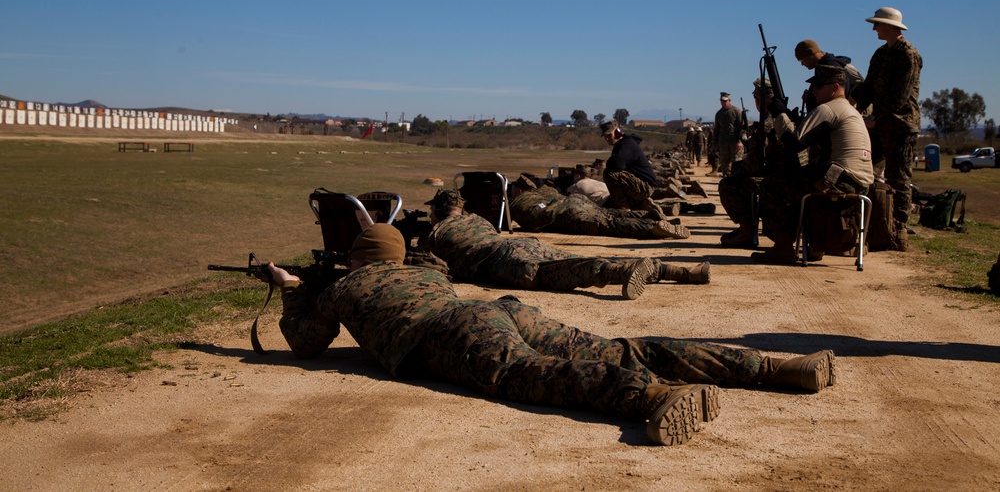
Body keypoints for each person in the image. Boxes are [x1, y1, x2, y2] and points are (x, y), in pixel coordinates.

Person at [269, 223, 837, 447]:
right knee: (622, 346)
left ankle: (654, 396)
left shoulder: (349, 287)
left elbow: (306, 343)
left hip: (446, 332)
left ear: (356, 261)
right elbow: (433, 267)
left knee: (527, 374)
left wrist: (294, 287)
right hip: (498, 308)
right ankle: (774, 367)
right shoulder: (424, 269)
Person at [419, 190, 709, 300]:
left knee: (575, 270)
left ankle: (624, 272)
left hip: (503, 261)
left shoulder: (433, 236)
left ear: (438, 211)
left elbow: (435, 267)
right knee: (572, 257)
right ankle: (680, 271)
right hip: (521, 244)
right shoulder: (478, 220)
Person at [753, 65, 875, 264]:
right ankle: (815, 245)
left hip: (839, 180)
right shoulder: (848, 109)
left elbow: (795, 142)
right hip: (859, 182)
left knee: (771, 186)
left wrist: (779, 114)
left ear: (835, 87)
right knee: (798, 180)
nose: (813, 91)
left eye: (818, 85)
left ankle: (783, 248)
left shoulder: (828, 108)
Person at [850, 7, 923, 251]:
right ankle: (872, 224)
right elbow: (868, 87)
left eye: (878, 24)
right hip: (878, 124)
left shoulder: (909, 55)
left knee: (898, 177)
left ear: (890, 26)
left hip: (900, 126)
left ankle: (898, 229)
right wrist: (857, 112)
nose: (874, 29)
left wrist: (877, 119)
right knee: (867, 172)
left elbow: (900, 97)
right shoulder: (880, 54)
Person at [718, 78, 787, 248]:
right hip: (786, 174)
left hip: (774, 178)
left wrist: (738, 167)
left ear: (760, 100)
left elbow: (755, 164)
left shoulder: (767, 124)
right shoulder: (785, 117)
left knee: (729, 185)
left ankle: (747, 231)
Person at [510, 179, 691, 240]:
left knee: (609, 225)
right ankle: (650, 216)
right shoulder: (544, 190)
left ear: (518, 190)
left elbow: (533, 219)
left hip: (568, 214)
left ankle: (651, 228)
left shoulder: (518, 203)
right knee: (612, 214)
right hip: (576, 202)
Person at [599, 120, 666, 219]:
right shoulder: (623, 144)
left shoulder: (626, 144)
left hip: (644, 187)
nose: (607, 138)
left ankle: (624, 210)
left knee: (609, 173)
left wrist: (608, 162)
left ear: (618, 131)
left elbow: (616, 165)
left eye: (609, 135)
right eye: (605, 137)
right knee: (608, 206)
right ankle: (644, 206)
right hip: (641, 186)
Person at [794, 39, 865, 111]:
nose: (802, 64)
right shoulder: (823, 66)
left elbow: (863, 88)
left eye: (801, 59)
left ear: (810, 53)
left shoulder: (835, 67)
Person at [713, 93, 744, 177]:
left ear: (729, 100)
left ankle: (736, 179)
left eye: (725, 101)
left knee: (736, 161)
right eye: (722, 101)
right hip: (723, 141)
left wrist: (740, 141)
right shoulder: (719, 114)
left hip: (735, 140)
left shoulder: (737, 111)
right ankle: (726, 179)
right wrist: (714, 144)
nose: (723, 102)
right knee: (724, 162)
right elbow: (716, 130)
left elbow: (742, 128)